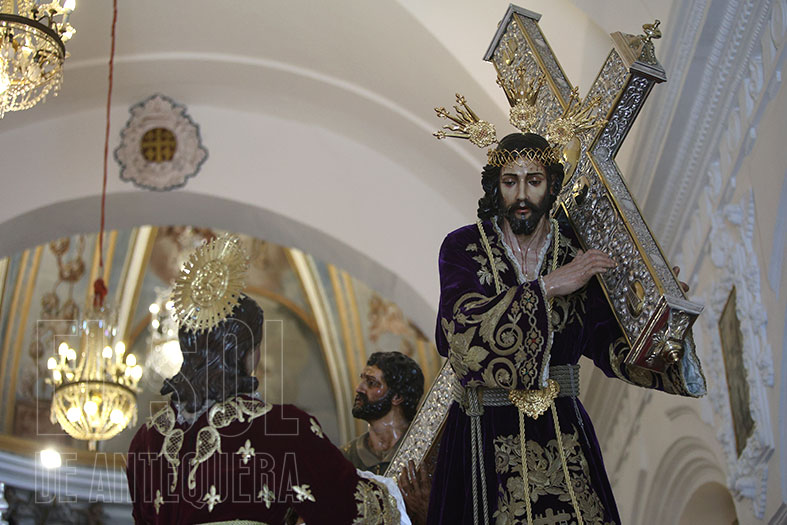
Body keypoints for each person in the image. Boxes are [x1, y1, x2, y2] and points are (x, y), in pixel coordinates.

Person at [426, 133, 705, 524]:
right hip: (482, 431)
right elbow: (459, 335)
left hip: (562, 431)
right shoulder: (463, 247)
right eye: (510, 182)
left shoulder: (578, 251)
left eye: (534, 181)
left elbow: (612, 346)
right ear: (495, 187)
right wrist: (548, 287)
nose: (522, 195)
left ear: (553, 184)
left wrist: (657, 320)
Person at [126, 236, 404, 524]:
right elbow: (353, 509)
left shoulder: (145, 440)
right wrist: (399, 494)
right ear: (247, 352)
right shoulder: (283, 428)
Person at [343, 351, 425, 476]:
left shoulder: (424, 449)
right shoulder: (346, 457)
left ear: (397, 397)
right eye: (362, 380)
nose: (359, 389)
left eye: (371, 383)